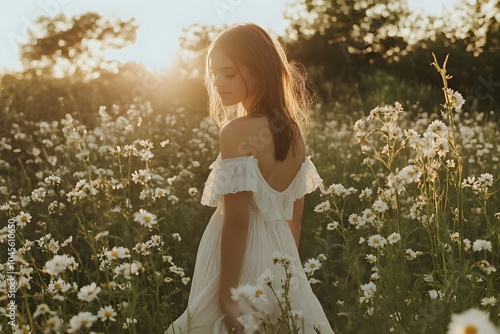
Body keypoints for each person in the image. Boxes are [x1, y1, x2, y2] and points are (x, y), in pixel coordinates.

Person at [167, 23, 334, 334]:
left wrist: (227, 296)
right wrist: (285, 276)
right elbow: (294, 219)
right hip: (280, 260)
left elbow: (238, 221)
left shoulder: (236, 132)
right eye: (214, 73)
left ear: (260, 71)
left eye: (229, 73)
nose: (217, 82)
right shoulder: (294, 132)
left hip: (240, 262)